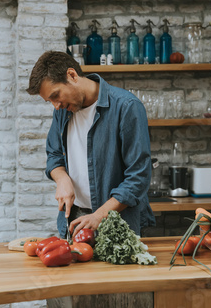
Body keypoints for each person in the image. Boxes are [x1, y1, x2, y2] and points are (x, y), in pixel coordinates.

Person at [27, 51, 155, 238]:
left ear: (72, 75)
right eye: (50, 101)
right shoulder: (62, 111)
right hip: (74, 218)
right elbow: (54, 155)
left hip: (116, 220)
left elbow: (138, 177)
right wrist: (62, 179)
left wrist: (99, 216)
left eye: (56, 95)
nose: (56, 105)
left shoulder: (126, 107)